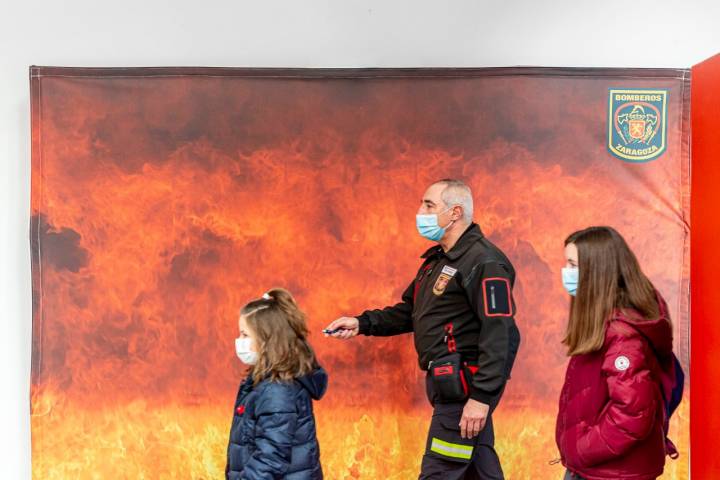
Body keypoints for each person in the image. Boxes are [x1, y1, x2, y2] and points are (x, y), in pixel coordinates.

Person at [324, 179, 520, 480]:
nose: (420, 211)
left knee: (439, 472)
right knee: (480, 470)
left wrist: (481, 398)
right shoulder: (436, 263)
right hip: (448, 386)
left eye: (428, 205)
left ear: (455, 212)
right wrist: (362, 323)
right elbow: (410, 312)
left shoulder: (485, 262)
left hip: (464, 388)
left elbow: (501, 333)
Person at [556, 226, 680, 480]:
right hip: (599, 469)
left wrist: (581, 449)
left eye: (572, 264)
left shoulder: (623, 336)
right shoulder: (604, 321)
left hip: (611, 473)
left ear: (597, 272)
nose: (566, 272)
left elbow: (634, 414)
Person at [226, 288, 327, 480]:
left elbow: (270, 457)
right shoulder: (267, 381)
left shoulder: (277, 390)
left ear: (267, 340)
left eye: (245, 335)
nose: (239, 341)